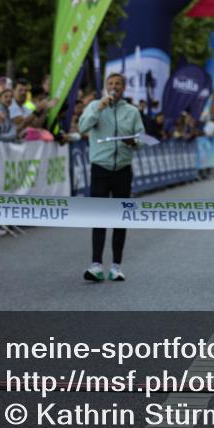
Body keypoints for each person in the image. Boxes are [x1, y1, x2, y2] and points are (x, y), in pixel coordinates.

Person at [79, 73, 146, 282]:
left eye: (118, 84)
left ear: (124, 88)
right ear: (105, 87)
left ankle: (116, 266)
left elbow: (142, 139)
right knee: (99, 216)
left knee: (120, 217)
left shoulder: (132, 111)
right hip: (100, 168)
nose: (114, 87)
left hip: (123, 170)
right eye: (110, 83)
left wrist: (134, 142)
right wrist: (99, 108)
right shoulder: (94, 106)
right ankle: (96, 265)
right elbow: (82, 127)